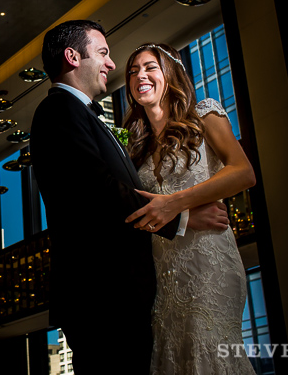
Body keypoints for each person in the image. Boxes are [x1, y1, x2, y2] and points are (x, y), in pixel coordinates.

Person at [30, 20, 231, 374]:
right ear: (73, 57)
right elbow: (99, 191)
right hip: (102, 293)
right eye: (104, 53)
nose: (111, 64)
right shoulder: (59, 110)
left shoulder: (84, 115)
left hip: (126, 290)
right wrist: (182, 217)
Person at [122, 42, 256, 374]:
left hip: (208, 261)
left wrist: (177, 202)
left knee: (206, 351)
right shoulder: (134, 144)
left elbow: (243, 172)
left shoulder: (204, 113)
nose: (141, 75)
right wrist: (183, 216)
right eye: (133, 70)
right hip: (161, 272)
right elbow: (134, 213)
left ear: (170, 73)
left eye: (150, 66)